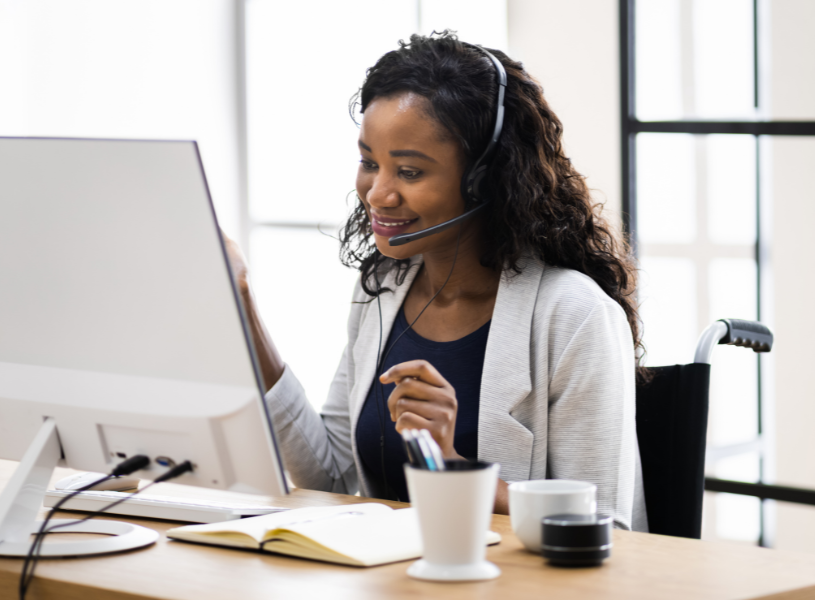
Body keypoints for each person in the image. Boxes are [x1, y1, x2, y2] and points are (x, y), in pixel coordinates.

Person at [227, 32, 647, 531]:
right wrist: (243, 304)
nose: (377, 194)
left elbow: (606, 528)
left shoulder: (574, 314)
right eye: (368, 162)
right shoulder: (382, 290)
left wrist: (451, 466)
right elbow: (332, 480)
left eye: (408, 171)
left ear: (484, 179)